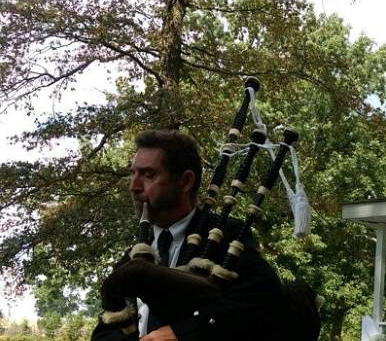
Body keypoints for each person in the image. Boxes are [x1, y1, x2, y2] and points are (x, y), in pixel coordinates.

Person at [91, 130, 291, 341]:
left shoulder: (227, 236)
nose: (134, 186)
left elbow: (263, 301)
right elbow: (106, 328)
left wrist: (183, 333)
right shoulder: (132, 257)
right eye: (133, 174)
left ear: (185, 182)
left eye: (148, 175)